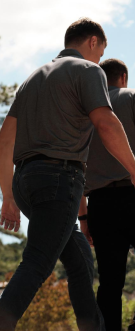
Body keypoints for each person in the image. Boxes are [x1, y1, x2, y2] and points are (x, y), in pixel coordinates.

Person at [0, 18, 135, 331]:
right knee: (38, 261)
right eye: (100, 50)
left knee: (79, 259)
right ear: (93, 42)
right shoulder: (89, 71)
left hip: (26, 183)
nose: (99, 59)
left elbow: (3, 142)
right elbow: (106, 124)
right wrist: (134, 168)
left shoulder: (32, 78)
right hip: (58, 179)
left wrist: (8, 196)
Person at [79, 59, 135, 331]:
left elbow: (75, 168)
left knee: (110, 280)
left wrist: (84, 218)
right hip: (133, 194)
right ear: (123, 77)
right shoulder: (131, 97)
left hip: (100, 204)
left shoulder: (86, 114)